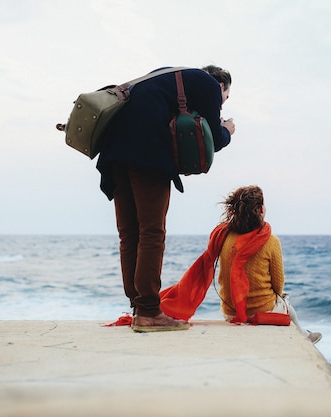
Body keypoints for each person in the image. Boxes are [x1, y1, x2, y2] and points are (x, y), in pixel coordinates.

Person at [96, 66, 236, 332]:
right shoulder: (208, 86)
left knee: (130, 234)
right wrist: (226, 128)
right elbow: (215, 139)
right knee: (151, 231)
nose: (220, 104)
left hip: (113, 154)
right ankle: (149, 312)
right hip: (146, 153)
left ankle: (139, 307)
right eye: (224, 99)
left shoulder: (166, 76)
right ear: (221, 88)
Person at [159, 186, 322, 344]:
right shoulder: (271, 240)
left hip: (231, 312)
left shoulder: (224, 236)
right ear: (259, 209)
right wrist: (273, 298)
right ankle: (304, 335)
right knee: (284, 299)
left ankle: (304, 333)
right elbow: (278, 283)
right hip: (261, 311)